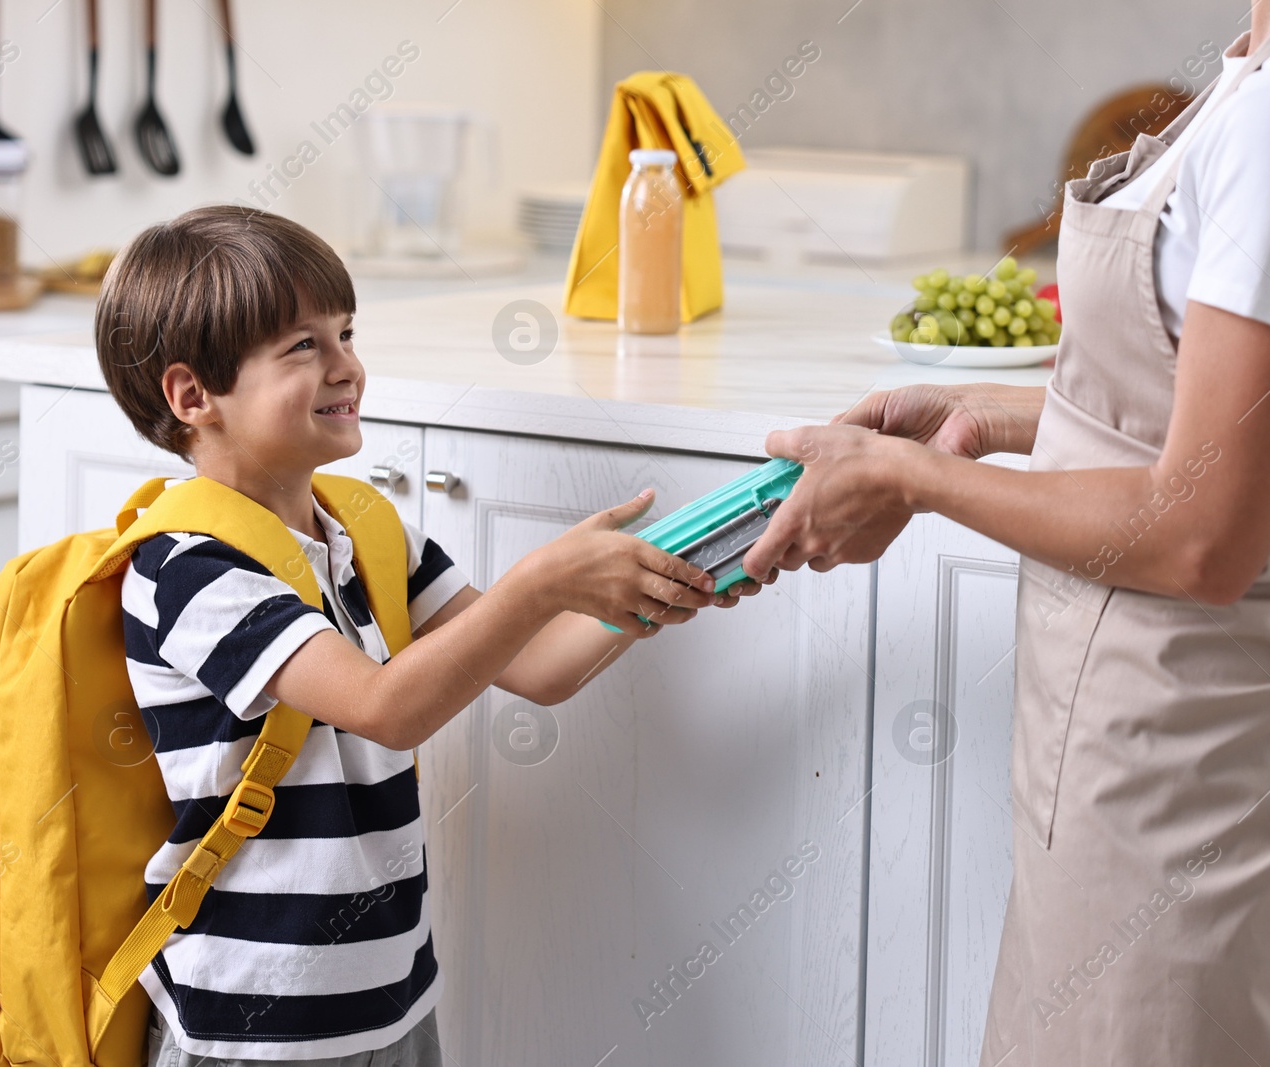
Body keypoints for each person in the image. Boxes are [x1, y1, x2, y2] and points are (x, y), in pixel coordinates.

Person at [743, 0, 1270, 1062]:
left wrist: (909, 480)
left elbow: (1204, 532)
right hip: (1195, 736)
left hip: (1192, 757)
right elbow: (1218, 424)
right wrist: (980, 425)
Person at [93, 205, 768, 1064]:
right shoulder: (187, 568)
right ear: (193, 396)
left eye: (345, 332)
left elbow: (539, 665)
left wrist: (667, 580)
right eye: (304, 346)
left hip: (393, 991)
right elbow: (385, 708)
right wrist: (541, 580)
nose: (349, 365)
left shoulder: (370, 533)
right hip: (255, 1019)